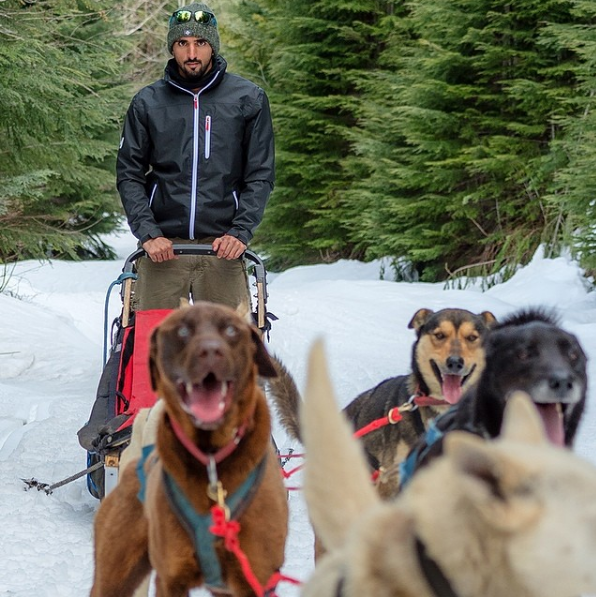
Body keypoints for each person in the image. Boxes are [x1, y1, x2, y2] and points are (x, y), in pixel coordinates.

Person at [116, 2, 275, 311]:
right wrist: (149, 234)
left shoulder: (248, 99)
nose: (191, 53)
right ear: (172, 48)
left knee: (228, 351)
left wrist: (240, 233)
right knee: (154, 348)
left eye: (200, 43)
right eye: (182, 44)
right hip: (163, 247)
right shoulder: (147, 103)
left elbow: (261, 173)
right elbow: (129, 173)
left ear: (212, 46)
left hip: (222, 246)